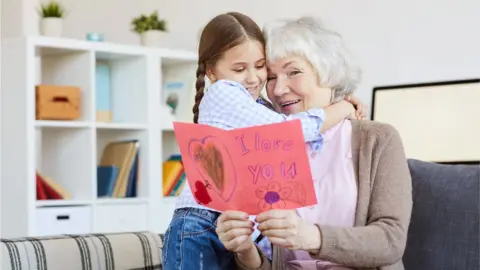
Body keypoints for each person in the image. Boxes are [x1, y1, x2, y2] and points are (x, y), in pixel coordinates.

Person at [161, 12, 368, 270]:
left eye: (260, 66)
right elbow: (289, 131)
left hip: (231, 227)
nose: (253, 78)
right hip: (202, 224)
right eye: (239, 69)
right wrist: (343, 108)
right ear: (212, 71)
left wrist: (341, 97)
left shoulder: (256, 104)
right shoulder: (224, 94)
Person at [216, 17, 413, 270]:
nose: (278, 90)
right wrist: (244, 251)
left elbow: (390, 241)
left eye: (294, 72)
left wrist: (310, 236)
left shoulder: (377, 139)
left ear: (328, 72)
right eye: (272, 78)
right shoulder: (264, 145)